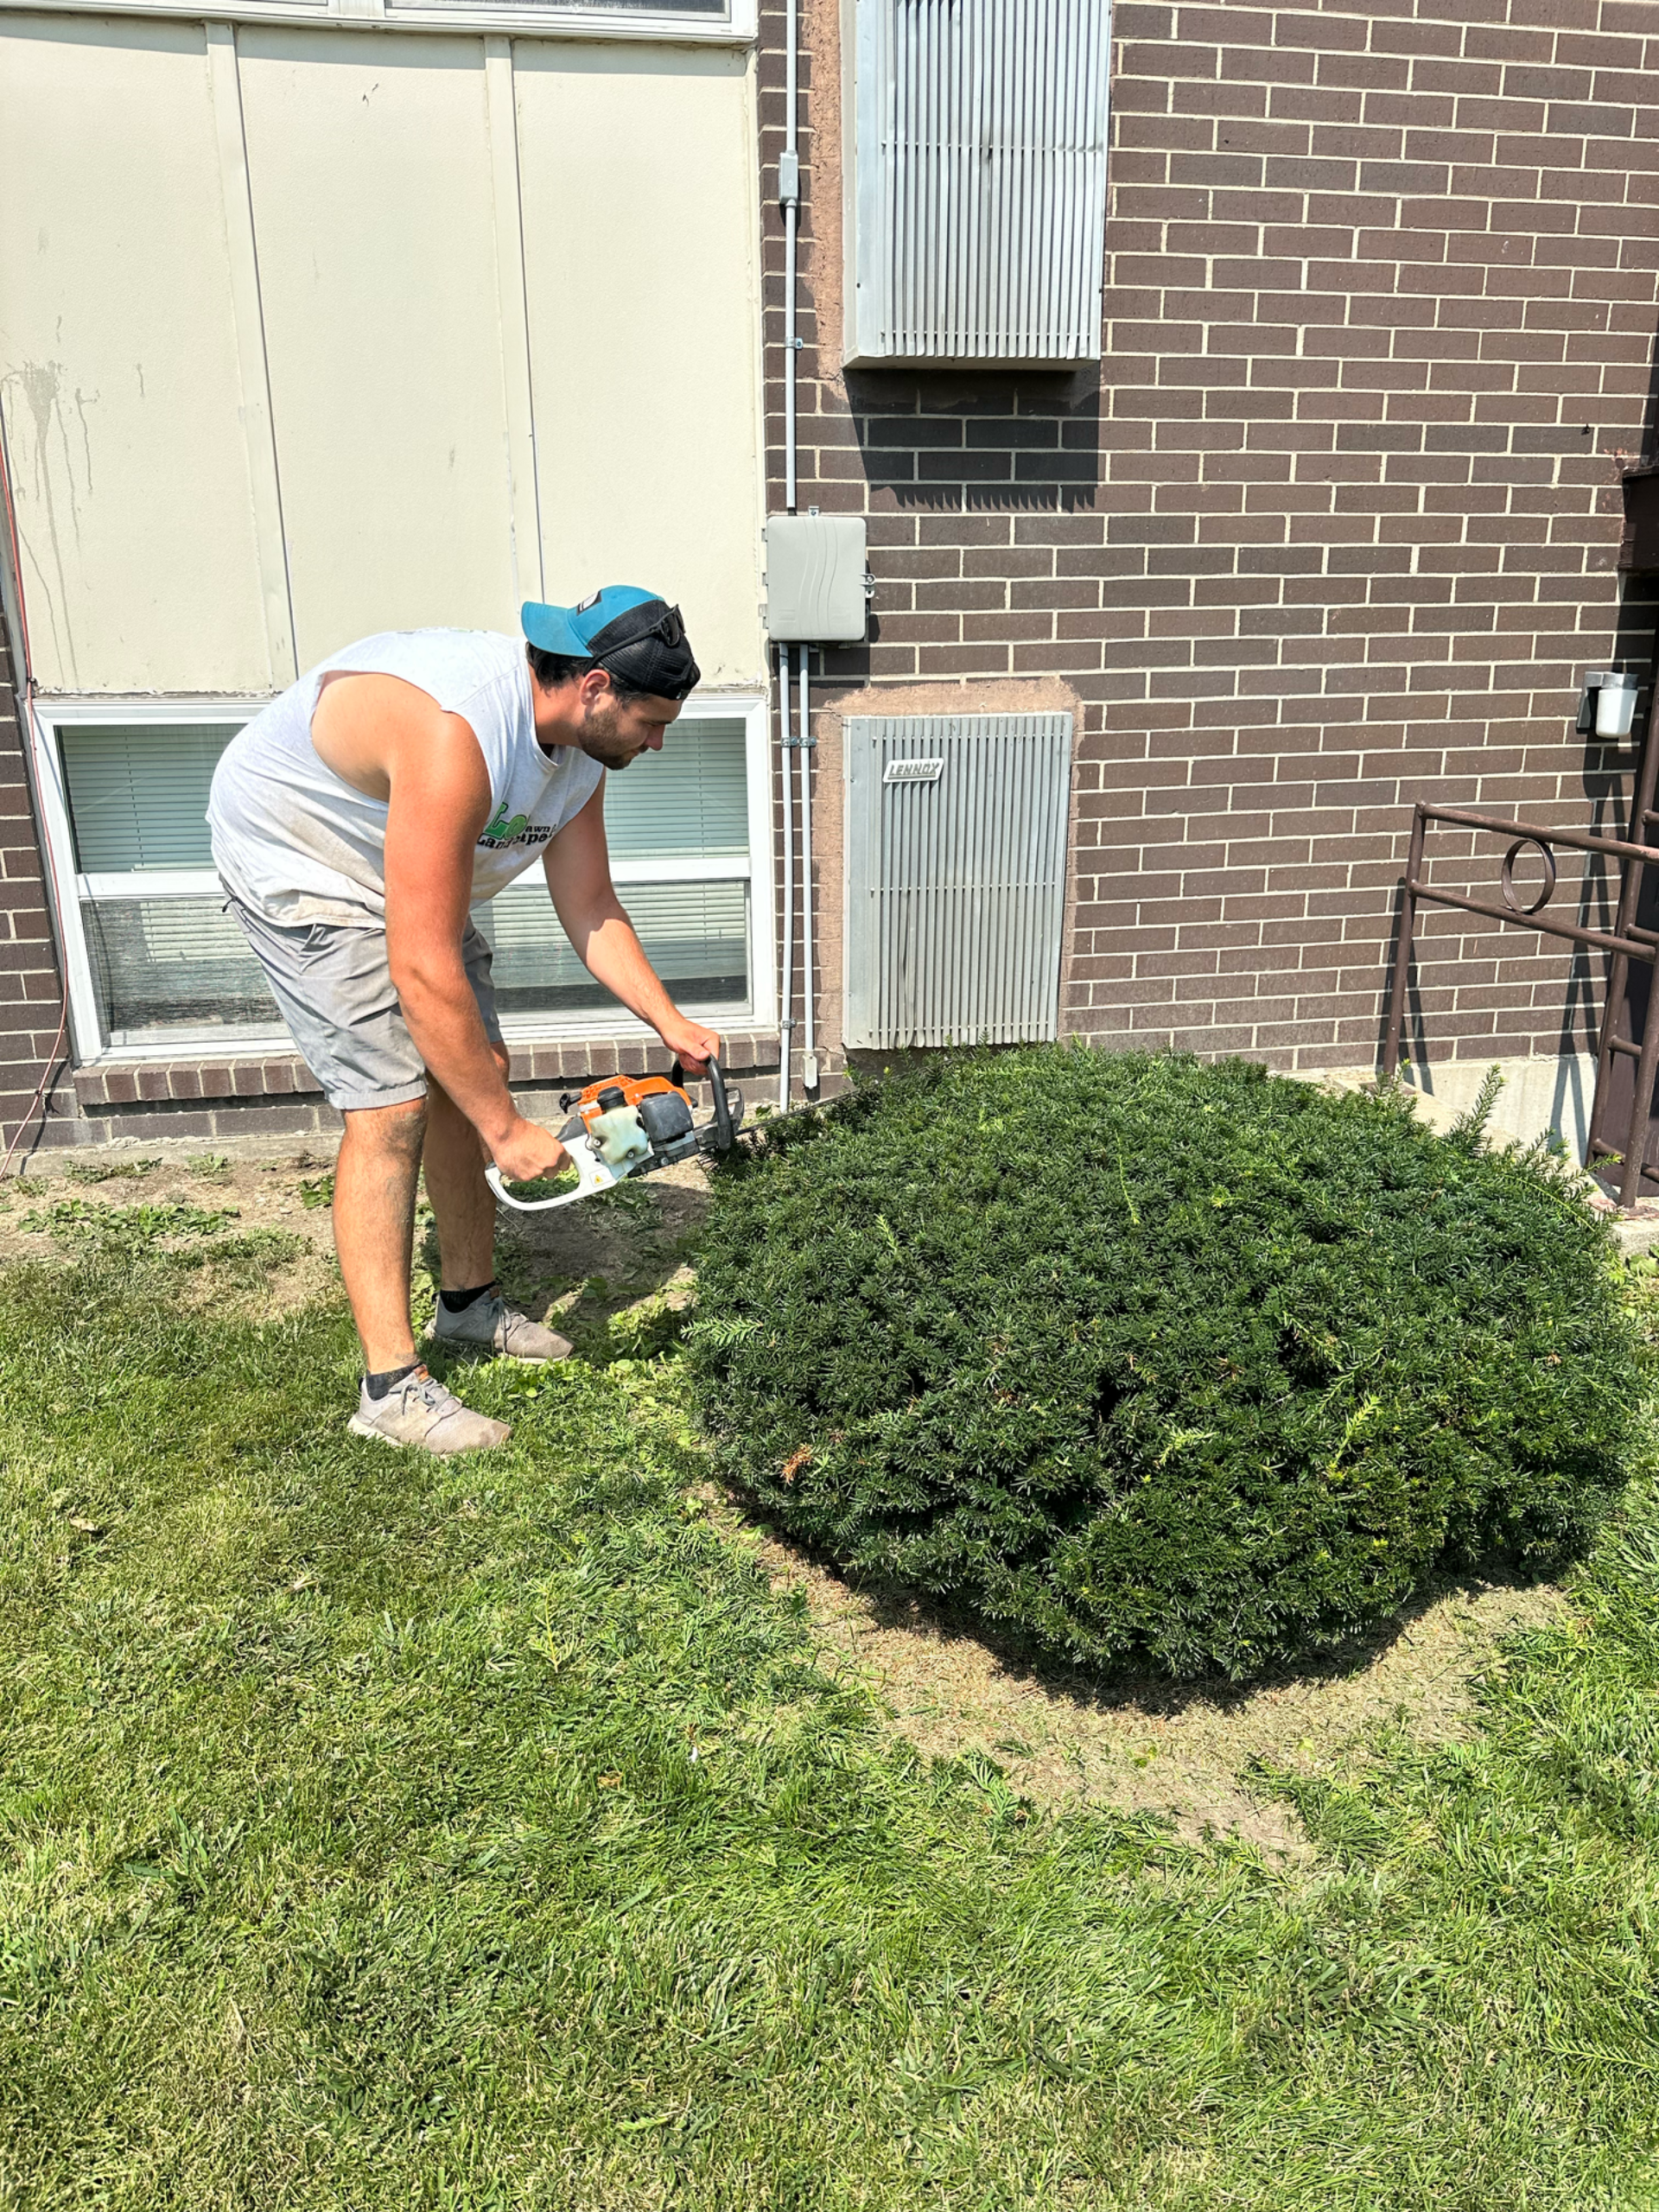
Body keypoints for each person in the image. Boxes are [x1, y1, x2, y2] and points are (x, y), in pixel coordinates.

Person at [207, 589, 719, 1456]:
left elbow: (589, 903)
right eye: (651, 720)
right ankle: (390, 1390)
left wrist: (668, 1018)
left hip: (405, 865)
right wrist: (502, 1130)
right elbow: (420, 965)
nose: (659, 741)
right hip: (302, 856)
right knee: (391, 1108)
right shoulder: (460, 732)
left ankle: (468, 1308)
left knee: (473, 1060)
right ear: (594, 685)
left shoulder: (584, 753)